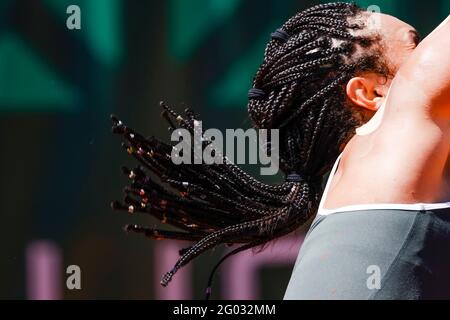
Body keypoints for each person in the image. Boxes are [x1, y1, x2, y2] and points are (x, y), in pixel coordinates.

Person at [111, 2, 450, 299]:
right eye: (415, 45)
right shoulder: (392, 136)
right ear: (370, 93)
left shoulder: (362, 175)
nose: (427, 53)